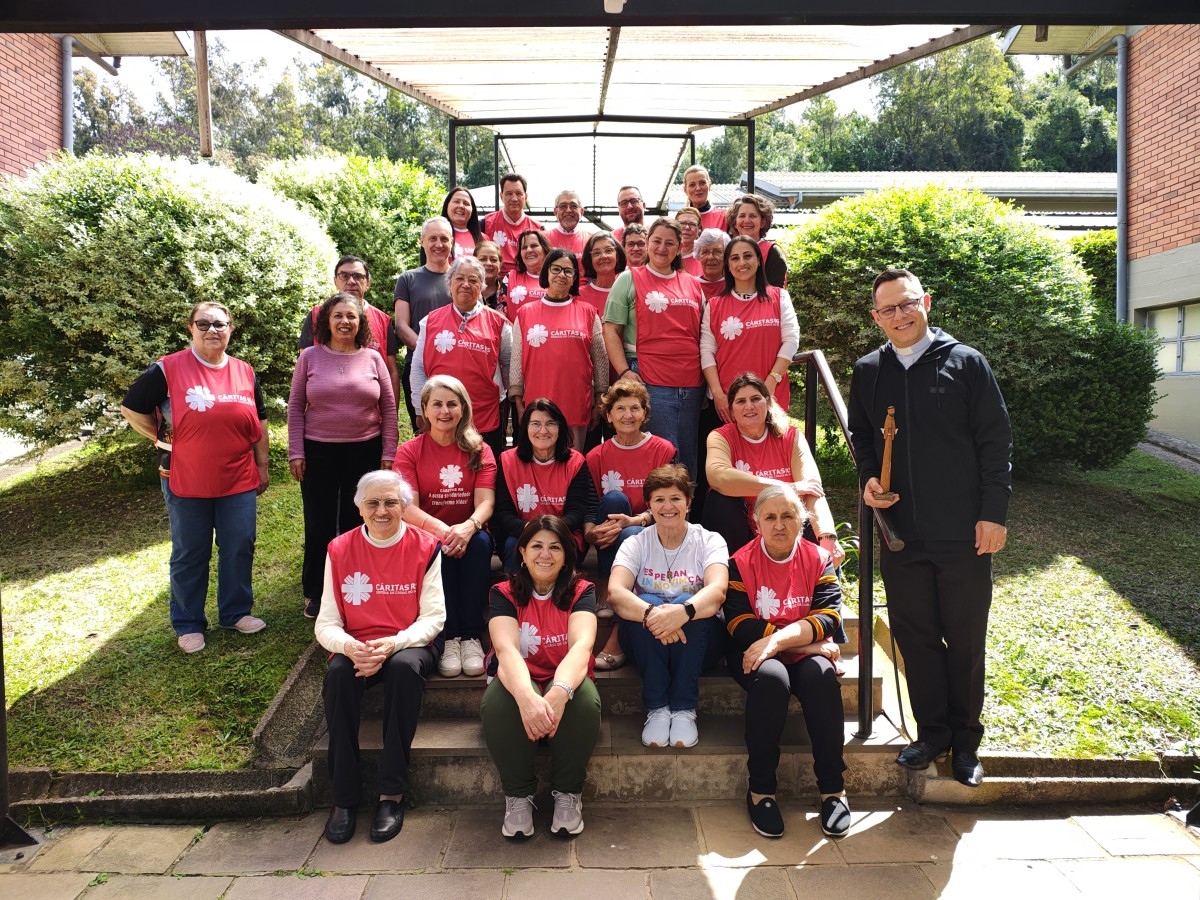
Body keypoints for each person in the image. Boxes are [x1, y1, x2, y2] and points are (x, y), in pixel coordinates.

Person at [848, 268, 1011, 789]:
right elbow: (862, 439)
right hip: (901, 533)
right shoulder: (869, 371)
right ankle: (932, 733)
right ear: (876, 317)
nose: (899, 315)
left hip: (964, 532)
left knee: (964, 640)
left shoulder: (966, 363)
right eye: (888, 309)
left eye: (907, 304)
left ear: (927, 303)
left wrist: (994, 513)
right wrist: (870, 478)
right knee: (915, 637)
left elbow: (995, 442)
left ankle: (966, 743)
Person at [120, 301, 269, 653]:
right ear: (191, 328)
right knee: (190, 550)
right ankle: (188, 623)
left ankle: (235, 613)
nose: (212, 330)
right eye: (204, 324)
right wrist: (159, 438)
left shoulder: (245, 372)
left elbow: (260, 421)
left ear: (231, 328)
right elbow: (131, 407)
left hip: (238, 476)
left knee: (238, 545)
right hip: (184, 476)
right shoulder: (167, 369)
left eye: (220, 324)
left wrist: (263, 465)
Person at [316, 470, 445, 844]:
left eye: (391, 502)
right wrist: (349, 647)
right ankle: (343, 798)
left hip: (408, 644)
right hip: (357, 645)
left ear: (405, 507)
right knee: (338, 676)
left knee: (405, 670)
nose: (382, 510)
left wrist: (392, 644)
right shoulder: (339, 549)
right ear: (359, 509)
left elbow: (434, 617)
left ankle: (391, 794)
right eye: (373, 503)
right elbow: (326, 621)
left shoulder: (425, 546)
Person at [725, 485, 850, 839]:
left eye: (788, 516)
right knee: (772, 681)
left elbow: (829, 617)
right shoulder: (740, 562)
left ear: (803, 520)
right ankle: (761, 791)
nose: (779, 525)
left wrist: (781, 641)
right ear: (756, 523)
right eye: (770, 517)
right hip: (752, 650)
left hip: (791, 647)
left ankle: (833, 790)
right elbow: (738, 623)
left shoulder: (817, 558)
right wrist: (804, 646)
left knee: (821, 678)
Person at [481, 515, 601, 839]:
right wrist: (527, 698)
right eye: (536, 546)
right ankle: (518, 796)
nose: (545, 554)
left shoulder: (582, 590)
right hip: (519, 674)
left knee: (585, 702)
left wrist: (559, 692)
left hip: (565, 675)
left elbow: (582, 646)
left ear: (566, 557)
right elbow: (505, 651)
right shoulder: (502, 593)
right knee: (498, 704)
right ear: (521, 552)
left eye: (555, 547)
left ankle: (568, 793)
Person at [288, 292, 398, 619]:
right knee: (319, 524)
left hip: (364, 450)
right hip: (317, 451)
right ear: (326, 321)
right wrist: (296, 451)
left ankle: (356, 586)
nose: (345, 322)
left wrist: (388, 453)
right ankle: (316, 592)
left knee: (357, 522)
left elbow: (389, 409)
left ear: (361, 322)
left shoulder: (373, 358)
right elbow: (295, 407)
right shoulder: (309, 357)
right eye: (338, 316)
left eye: (351, 316)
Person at [606, 465, 729, 748]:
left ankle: (684, 709)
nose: (667, 506)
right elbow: (615, 592)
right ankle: (658, 709)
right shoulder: (636, 543)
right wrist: (653, 614)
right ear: (649, 504)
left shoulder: (710, 540)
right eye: (659, 499)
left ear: (688, 502)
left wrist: (682, 612)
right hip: (647, 642)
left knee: (697, 608)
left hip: (700, 643)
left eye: (675, 498)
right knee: (646, 601)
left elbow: (717, 590)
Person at [395, 375, 496, 679]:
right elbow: (408, 508)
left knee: (477, 545)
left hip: (471, 531)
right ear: (424, 409)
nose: (445, 411)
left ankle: (472, 636)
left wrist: (468, 527)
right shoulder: (409, 451)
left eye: (452, 404)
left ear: (463, 408)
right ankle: (449, 636)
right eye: (436, 404)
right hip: (428, 533)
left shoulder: (479, 450)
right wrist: (444, 531)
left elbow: (486, 503)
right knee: (437, 547)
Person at [603, 217, 705, 478]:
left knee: (688, 456)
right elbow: (611, 330)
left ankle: (685, 516)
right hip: (649, 377)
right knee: (663, 455)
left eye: (670, 243)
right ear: (647, 243)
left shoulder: (693, 284)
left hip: (691, 382)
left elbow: (703, 332)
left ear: (680, 247)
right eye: (657, 241)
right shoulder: (628, 280)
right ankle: (658, 516)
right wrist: (625, 372)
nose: (662, 248)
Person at [585, 379, 677, 670]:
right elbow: (590, 504)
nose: (628, 415)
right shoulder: (595, 456)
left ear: (645, 414)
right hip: (609, 536)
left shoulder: (663, 450)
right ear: (608, 416)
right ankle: (607, 586)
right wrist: (590, 531)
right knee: (613, 499)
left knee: (633, 533)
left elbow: (672, 501)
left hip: (653, 533)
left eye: (635, 408)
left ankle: (616, 595)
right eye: (620, 408)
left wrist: (637, 520)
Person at [704, 374, 843, 561]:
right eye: (741, 401)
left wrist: (827, 536)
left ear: (767, 402)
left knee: (821, 538)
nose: (749, 406)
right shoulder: (721, 437)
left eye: (755, 399)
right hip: (744, 526)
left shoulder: (791, 436)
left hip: (784, 521)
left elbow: (812, 489)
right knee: (720, 500)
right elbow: (718, 476)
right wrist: (785, 487)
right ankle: (732, 577)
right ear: (731, 410)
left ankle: (824, 586)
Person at [410, 255, 512, 461]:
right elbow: (419, 367)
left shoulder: (499, 323)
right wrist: (419, 409)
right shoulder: (429, 321)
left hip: (484, 415)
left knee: (482, 470)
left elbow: (509, 365)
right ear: (449, 284)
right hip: (441, 415)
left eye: (473, 280)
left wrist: (499, 394)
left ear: (482, 286)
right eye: (459, 279)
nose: (466, 285)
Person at [509, 248, 608, 450]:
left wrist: (600, 398)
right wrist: (518, 402)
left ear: (574, 278)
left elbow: (600, 359)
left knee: (572, 462)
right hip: (537, 403)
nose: (561, 275)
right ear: (546, 272)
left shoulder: (588, 312)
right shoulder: (526, 313)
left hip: (575, 400)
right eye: (556, 269)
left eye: (568, 271)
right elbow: (517, 361)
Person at [701, 235, 800, 419]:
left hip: (771, 397)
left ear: (758, 260)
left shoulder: (779, 297)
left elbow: (791, 340)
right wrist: (718, 394)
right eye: (735, 258)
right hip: (728, 402)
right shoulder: (714, 305)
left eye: (748, 256)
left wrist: (770, 383)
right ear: (728, 266)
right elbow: (707, 351)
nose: (742, 263)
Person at [493, 399, 598, 572]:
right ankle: (515, 597)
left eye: (550, 424)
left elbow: (577, 512)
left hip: (563, 534)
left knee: (560, 548)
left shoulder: (576, 462)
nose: (543, 431)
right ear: (525, 427)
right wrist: (531, 531)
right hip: (522, 535)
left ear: (560, 429)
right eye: (535, 424)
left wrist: (548, 532)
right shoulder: (507, 461)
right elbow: (504, 514)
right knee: (513, 545)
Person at [299, 255, 401, 407]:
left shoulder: (383, 321)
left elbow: (391, 372)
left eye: (358, 276)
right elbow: (302, 370)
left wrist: (391, 418)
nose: (351, 281)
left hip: (371, 416)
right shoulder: (316, 316)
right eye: (344, 276)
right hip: (323, 413)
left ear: (367, 283)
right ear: (335, 281)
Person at [395, 217, 454, 426]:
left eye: (444, 239)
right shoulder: (408, 279)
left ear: (452, 242)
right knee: (424, 430)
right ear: (422, 241)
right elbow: (401, 325)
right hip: (418, 370)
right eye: (433, 238)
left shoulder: (462, 279)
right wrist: (428, 352)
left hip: (456, 369)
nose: (439, 244)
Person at [483, 173, 541, 278]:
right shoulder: (486, 223)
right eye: (509, 193)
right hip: (493, 283)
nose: (514, 198)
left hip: (526, 286)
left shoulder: (538, 229)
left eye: (519, 193)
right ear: (501, 196)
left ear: (526, 197)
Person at [727, 194, 788, 288]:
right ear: (735, 223)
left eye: (752, 216)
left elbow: (776, 291)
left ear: (762, 222)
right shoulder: (727, 250)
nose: (746, 220)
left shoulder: (773, 252)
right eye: (742, 216)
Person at [503, 229, 551, 321]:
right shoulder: (510, 277)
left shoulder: (555, 278)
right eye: (524, 247)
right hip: (514, 333)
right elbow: (500, 311)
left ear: (545, 249)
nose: (529, 250)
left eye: (534, 246)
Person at [577, 231, 626, 319]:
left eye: (608, 250)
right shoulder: (578, 295)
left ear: (617, 256)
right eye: (596, 253)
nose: (603, 256)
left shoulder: (628, 292)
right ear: (590, 260)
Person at [439, 185, 483, 259]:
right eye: (456, 201)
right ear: (447, 205)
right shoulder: (435, 235)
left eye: (466, 203)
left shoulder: (483, 239)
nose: (461, 206)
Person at [682, 165, 726, 231]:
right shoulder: (680, 220)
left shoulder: (723, 217)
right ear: (685, 190)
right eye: (692, 185)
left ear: (709, 185)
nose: (698, 188)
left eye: (702, 183)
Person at [547, 189, 590, 256]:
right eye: (563, 206)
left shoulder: (591, 240)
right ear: (555, 211)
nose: (568, 210)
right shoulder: (543, 239)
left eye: (574, 206)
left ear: (581, 212)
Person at [694, 228, 731, 301]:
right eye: (705, 252)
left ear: (727, 256)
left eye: (717, 251)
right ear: (698, 256)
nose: (710, 257)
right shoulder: (691, 285)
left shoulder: (734, 284)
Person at [474, 240, 507, 311]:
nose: (488, 263)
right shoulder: (467, 289)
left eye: (493, 260)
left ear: (500, 264)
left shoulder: (508, 292)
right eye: (482, 259)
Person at [675, 206, 704, 277]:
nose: (687, 227)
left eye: (692, 224)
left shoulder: (704, 259)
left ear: (699, 230)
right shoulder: (666, 256)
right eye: (682, 223)